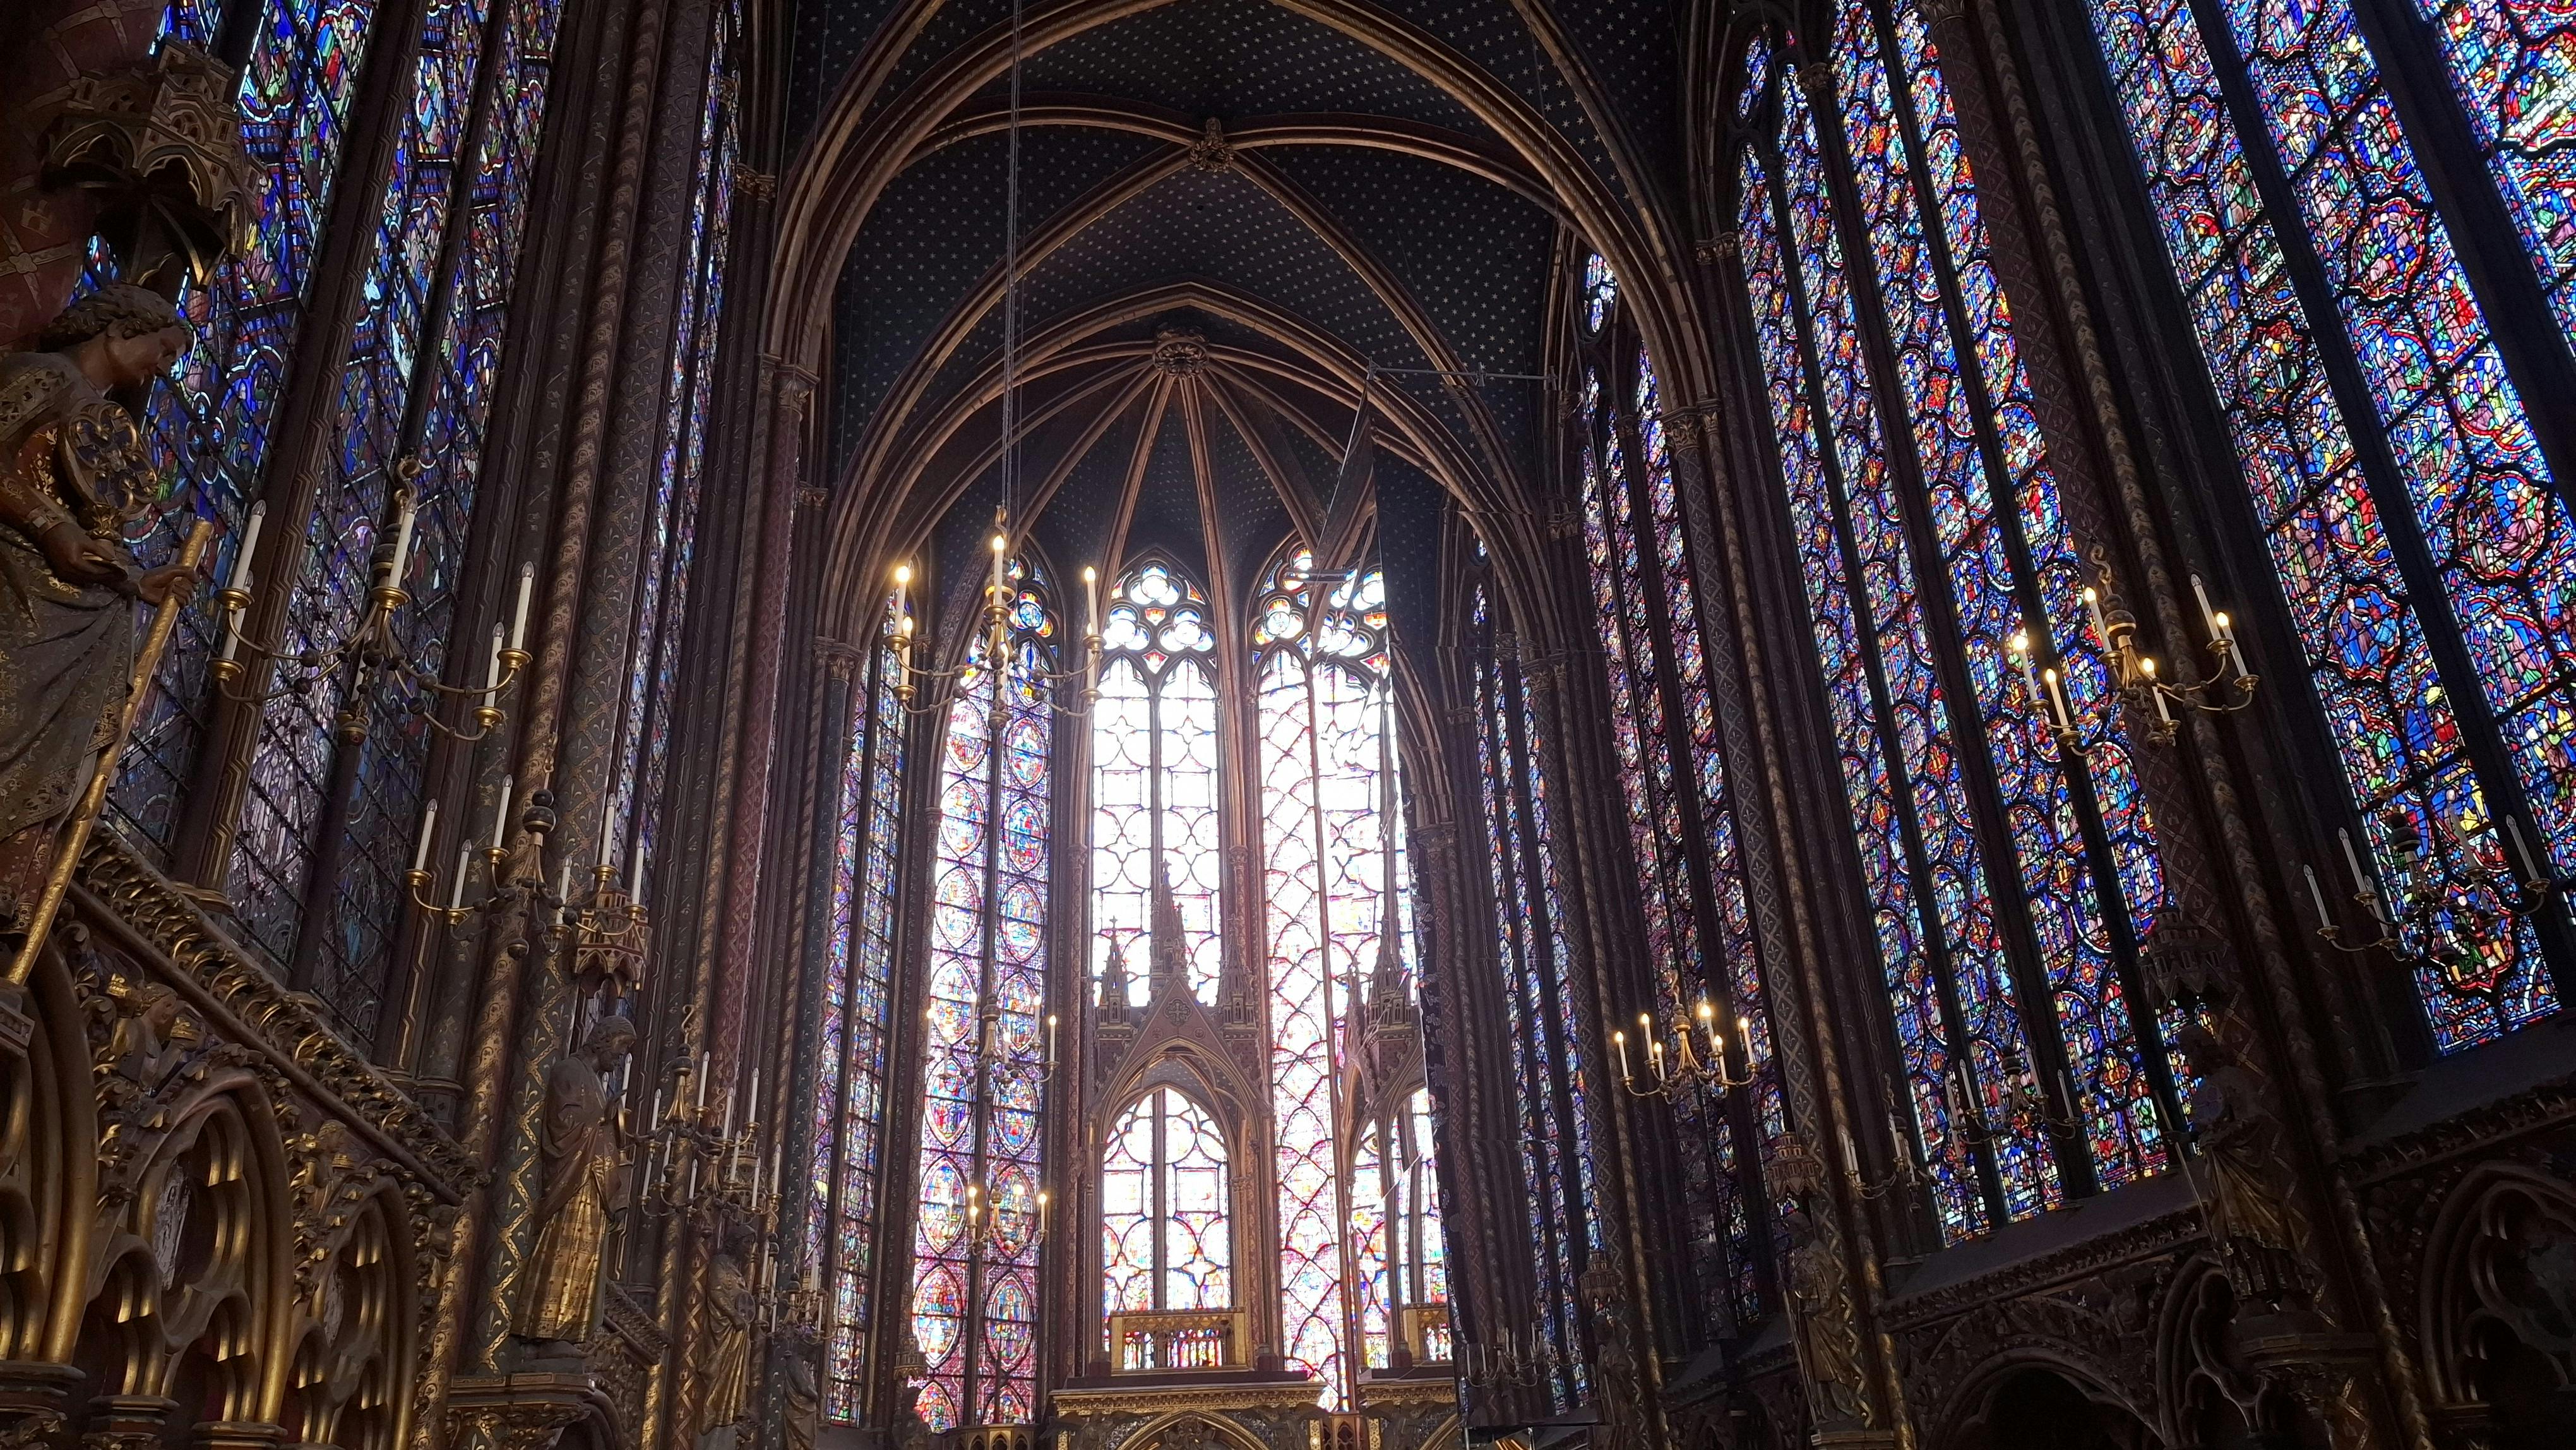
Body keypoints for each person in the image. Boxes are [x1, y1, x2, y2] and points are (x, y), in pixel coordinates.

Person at [0, 284, 193, 934]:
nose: (162, 368)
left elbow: (91, 532)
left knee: (53, 759)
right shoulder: (46, 377)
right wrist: (50, 528)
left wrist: (135, 579)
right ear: (117, 330)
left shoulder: (107, 419)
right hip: (18, 585)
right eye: (163, 350)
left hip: (80, 613)